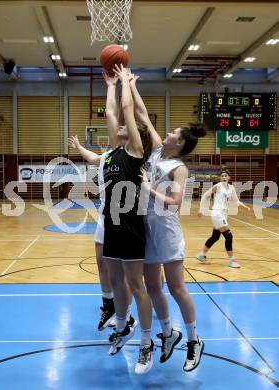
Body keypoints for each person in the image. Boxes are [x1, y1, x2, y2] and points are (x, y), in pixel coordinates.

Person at [141, 123, 206, 372]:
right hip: (147, 225)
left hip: (166, 228)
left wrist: (148, 188)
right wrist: (128, 85)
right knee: (153, 286)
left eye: (172, 133)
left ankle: (193, 340)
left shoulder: (179, 168)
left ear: (179, 143)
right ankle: (168, 333)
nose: (167, 134)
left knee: (177, 287)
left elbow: (176, 203)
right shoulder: (158, 152)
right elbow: (144, 117)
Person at [103, 65, 154, 374]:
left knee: (136, 285)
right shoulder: (112, 153)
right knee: (115, 282)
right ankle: (123, 329)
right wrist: (110, 84)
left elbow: (124, 109)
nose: (122, 124)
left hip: (132, 227)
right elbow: (111, 113)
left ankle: (146, 343)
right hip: (111, 226)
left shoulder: (135, 152)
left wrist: (124, 82)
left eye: (129, 124)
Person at [67, 135, 136, 331]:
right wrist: (79, 147)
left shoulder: (133, 154)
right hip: (105, 215)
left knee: (123, 271)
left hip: (125, 216)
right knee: (101, 262)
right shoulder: (107, 156)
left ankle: (127, 315)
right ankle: (108, 305)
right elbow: (92, 158)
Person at [196, 168, 250, 268]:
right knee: (229, 236)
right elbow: (205, 196)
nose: (224, 177)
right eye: (222, 176)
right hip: (217, 213)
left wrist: (244, 206)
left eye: (226, 176)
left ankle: (201, 255)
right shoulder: (218, 186)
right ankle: (231, 260)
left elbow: (236, 201)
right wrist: (201, 209)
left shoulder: (231, 188)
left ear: (229, 177)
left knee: (215, 237)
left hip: (224, 214)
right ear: (220, 178)